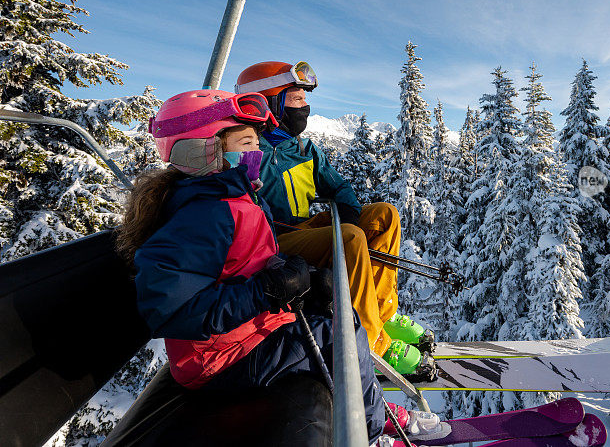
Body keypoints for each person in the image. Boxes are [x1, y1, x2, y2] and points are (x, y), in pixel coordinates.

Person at [115, 89, 419, 445]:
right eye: (245, 143)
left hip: (245, 335)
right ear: (203, 150)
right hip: (219, 359)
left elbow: (246, 262)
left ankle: (370, 413)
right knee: (339, 334)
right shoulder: (203, 215)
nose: (256, 153)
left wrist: (298, 280)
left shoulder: (230, 198)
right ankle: (370, 430)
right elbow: (168, 309)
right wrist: (265, 291)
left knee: (337, 317)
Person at [235, 61, 434, 375]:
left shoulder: (302, 148)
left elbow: (337, 185)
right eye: (297, 100)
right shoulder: (245, 151)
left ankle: (381, 313)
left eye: (304, 100)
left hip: (303, 228)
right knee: (348, 238)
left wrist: (351, 213)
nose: (306, 108)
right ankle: (371, 343)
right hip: (272, 242)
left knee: (384, 216)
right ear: (269, 101)